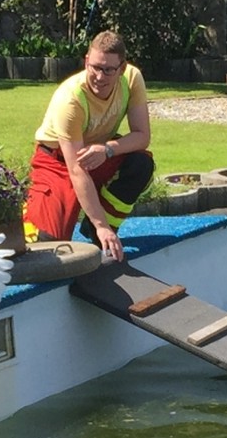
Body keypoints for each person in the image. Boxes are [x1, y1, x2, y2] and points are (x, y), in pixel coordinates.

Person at [25, 30, 154, 263]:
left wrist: (107, 149)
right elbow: (76, 169)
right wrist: (100, 223)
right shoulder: (71, 99)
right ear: (86, 61)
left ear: (122, 69)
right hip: (57, 161)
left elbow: (142, 136)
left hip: (98, 154)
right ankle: (27, 214)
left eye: (108, 70)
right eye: (94, 67)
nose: (99, 76)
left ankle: (100, 235)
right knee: (49, 247)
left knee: (141, 163)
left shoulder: (132, 79)